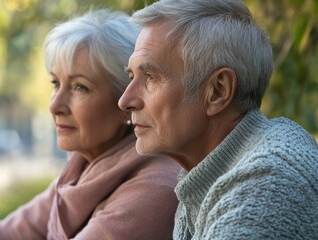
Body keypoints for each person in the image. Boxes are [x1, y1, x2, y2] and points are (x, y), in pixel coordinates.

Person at [0, 9, 180, 240]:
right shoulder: (82, 169)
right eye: (56, 83)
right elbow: (6, 233)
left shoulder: (153, 188)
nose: (55, 106)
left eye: (80, 87)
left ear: (126, 101)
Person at [118, 0, 318, 239]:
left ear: (218, 91)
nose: (125, 100)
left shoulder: (265, 187)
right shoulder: (207, 173)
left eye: (150, 76)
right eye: (132, 76)